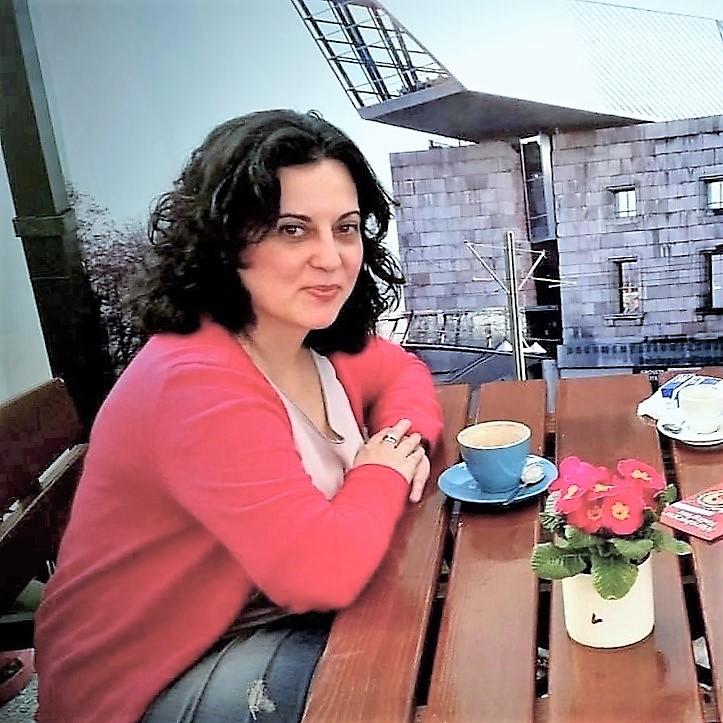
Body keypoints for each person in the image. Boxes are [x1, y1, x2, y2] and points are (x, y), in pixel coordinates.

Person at [34, 109, 443, 723]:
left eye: (347, 228)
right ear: (225, 241)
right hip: (151, 675)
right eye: (292, 230)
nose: (331, 258)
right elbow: (321, 572)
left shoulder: (306, 337)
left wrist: (395, 440)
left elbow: (403, 373)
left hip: (261, 619)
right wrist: (381, 472)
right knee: (413, 675)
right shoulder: (196, 383)